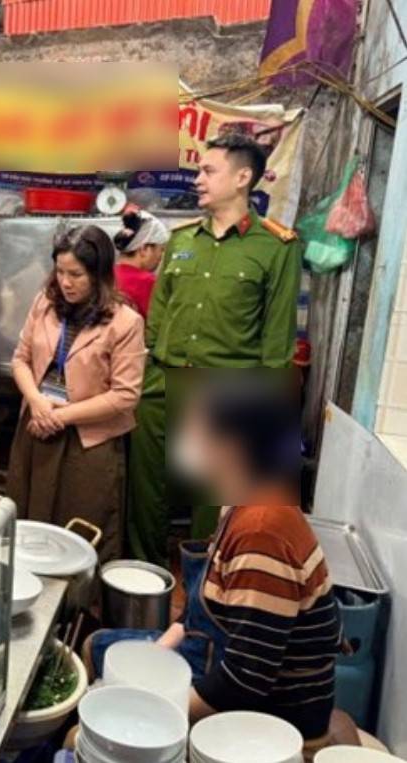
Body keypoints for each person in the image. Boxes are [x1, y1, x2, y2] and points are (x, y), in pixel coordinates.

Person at [84, 374, 342, 751]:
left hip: (268, 715)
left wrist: (152, 711)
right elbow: (196, 616)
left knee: (87, 728)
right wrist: (155, 653)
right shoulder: (240, 501)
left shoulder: (262, 531)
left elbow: (245, 681)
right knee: (99, 647)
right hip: (216, 659)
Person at [127, 132, 302, 564]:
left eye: (208, 171)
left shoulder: (276, 247)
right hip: (162, 382)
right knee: (145, 495)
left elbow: (277, 339)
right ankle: (141, 580)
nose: (198, 180)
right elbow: (159, 313)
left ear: (242, 178)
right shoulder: (183, 240)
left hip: (228, 389)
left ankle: (203, 588)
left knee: (213, 508)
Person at [6, 226, 145, 563]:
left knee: (80, 527)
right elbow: (21, 359)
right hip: (37, 425)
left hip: (87, 441)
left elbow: (125, 395)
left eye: (76, 275)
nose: (65, 282)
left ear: (99, 274)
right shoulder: (45, 303)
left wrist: (60, 416)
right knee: (29, 518)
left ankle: (78, 594)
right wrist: (37, 402)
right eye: (60, 272)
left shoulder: (125, 322)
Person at [112, 207, 170, 318]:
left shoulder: (104, 276)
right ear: (144, 249)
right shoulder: (149, 283)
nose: (161, 257)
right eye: (161, 250)